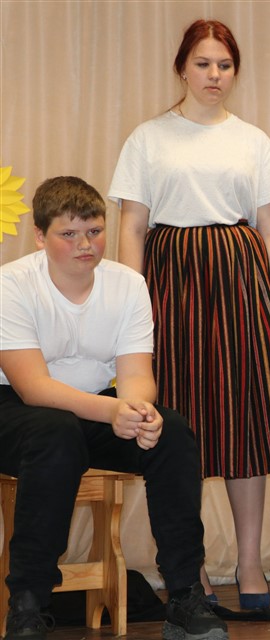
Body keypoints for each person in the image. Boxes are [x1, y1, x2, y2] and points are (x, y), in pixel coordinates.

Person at [109, 19, 270, 609]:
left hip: (242, 284)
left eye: (224, 65)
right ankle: (189, 568)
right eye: (203, 63)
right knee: (181, 425)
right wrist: (132, 308)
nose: (214, 75)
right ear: (182, 68)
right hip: (171, 285)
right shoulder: (148, 138)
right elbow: (132, 228)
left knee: (247, 426)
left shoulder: (253, 140)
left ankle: (250, 563)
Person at [0, 176, 229, 640]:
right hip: (18, 412)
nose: (85, 245)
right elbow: (34, 388)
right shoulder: (11, 285)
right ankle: (28, 604)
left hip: (94, 409)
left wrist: (140, 411)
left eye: (94, 231)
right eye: (69, 234)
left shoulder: (128, 284)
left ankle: (184, 594)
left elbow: (136, 373)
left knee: (172, 432)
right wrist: (111, 413)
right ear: (40, 236)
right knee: (55, 433)